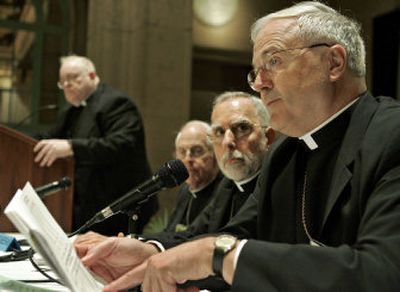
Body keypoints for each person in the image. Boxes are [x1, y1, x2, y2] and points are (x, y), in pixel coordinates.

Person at [76, 1, 400, 291]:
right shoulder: (286, 154)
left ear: (334, 63)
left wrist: (222, 257)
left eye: (273, 61)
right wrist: (151, 252)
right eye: (256, 72)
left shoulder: (392, 137)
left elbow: (382, 273)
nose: (260, 83)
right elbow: (236, 236)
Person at [75, 91, 275, 287]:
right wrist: (141, 245)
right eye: (219, 132)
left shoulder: (275, 183)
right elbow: (192, 235)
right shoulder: (228, 185)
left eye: (241, 128)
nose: (228, 141)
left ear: (269, 137)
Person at [33, 55, 158, 236]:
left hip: (119, 205)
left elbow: (121, 145)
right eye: (62, 81)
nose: (67, 85)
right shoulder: (71, 110)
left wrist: (71, 147)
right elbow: (48, 137)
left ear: (92, 75)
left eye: (73, 78)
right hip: (85, 206)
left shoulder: (116, 103)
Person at [165, 120, 222, 233]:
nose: (187, 159)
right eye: (182, 152)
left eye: (197, 151)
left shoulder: (224, 191)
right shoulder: (186, 190)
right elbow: (169, 232)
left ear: (215, 153)